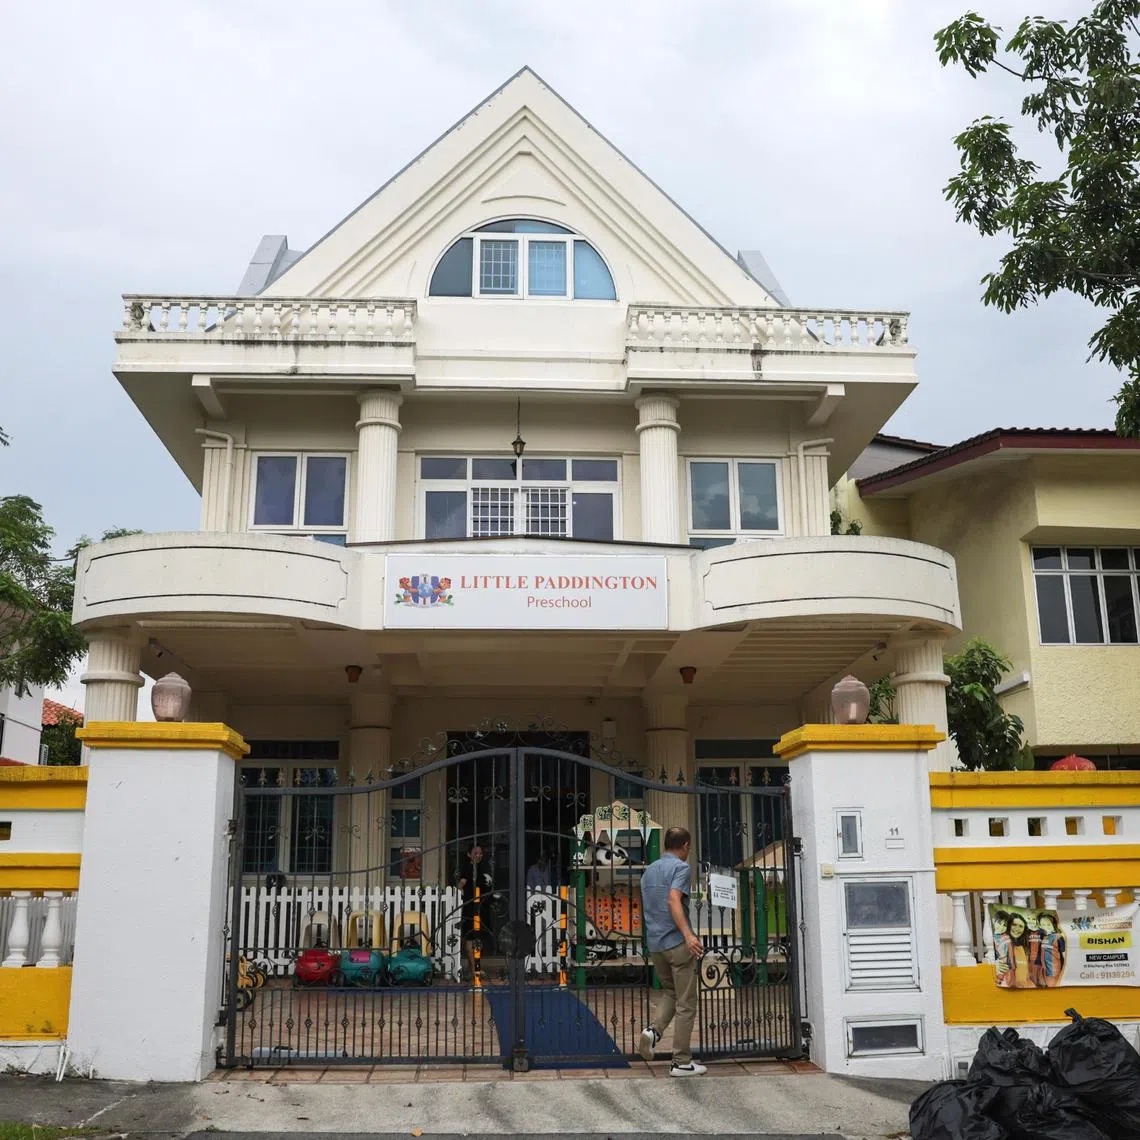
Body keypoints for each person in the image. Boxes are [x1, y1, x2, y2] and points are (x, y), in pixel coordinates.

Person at [637, 826, 706, 1076]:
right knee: (687, 1003)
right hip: (677, 944)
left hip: (655, 945)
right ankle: (681, 1062)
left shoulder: (648, 872)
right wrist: (688, 935)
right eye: (689, 847)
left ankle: (653, 1032)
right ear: (685, 845)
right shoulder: (681, 868)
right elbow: (673, 899)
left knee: (670, 991)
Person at [456, 841, 491, 982]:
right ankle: (474, 968)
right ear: (469, 854)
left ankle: (474, 967)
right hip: (470, 907)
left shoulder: (482, 868)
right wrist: (460, 897)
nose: (478, 856)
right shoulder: (467, 868)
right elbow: (461, 884)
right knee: (471, 937)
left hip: (480, 907)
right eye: (475, 853)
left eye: (480, 853)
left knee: (478, 936)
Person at [996, 912, 1032, 988]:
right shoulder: (1001, 942)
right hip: (1006, 989)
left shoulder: (1025, 947)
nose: (1017, 929)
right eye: (1014, 925)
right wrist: (996, 964)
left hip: (1025, 989)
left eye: (1021, 926)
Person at [1035, 911, 1067, 987]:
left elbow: (1064, 954)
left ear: (1054, 925)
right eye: (1043, 924)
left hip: (1054, 970)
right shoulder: (1044, 936)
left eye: (1048, 924)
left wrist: (1065, 970)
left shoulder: (1058, 937)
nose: (1046, 927)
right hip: (1044, 969)